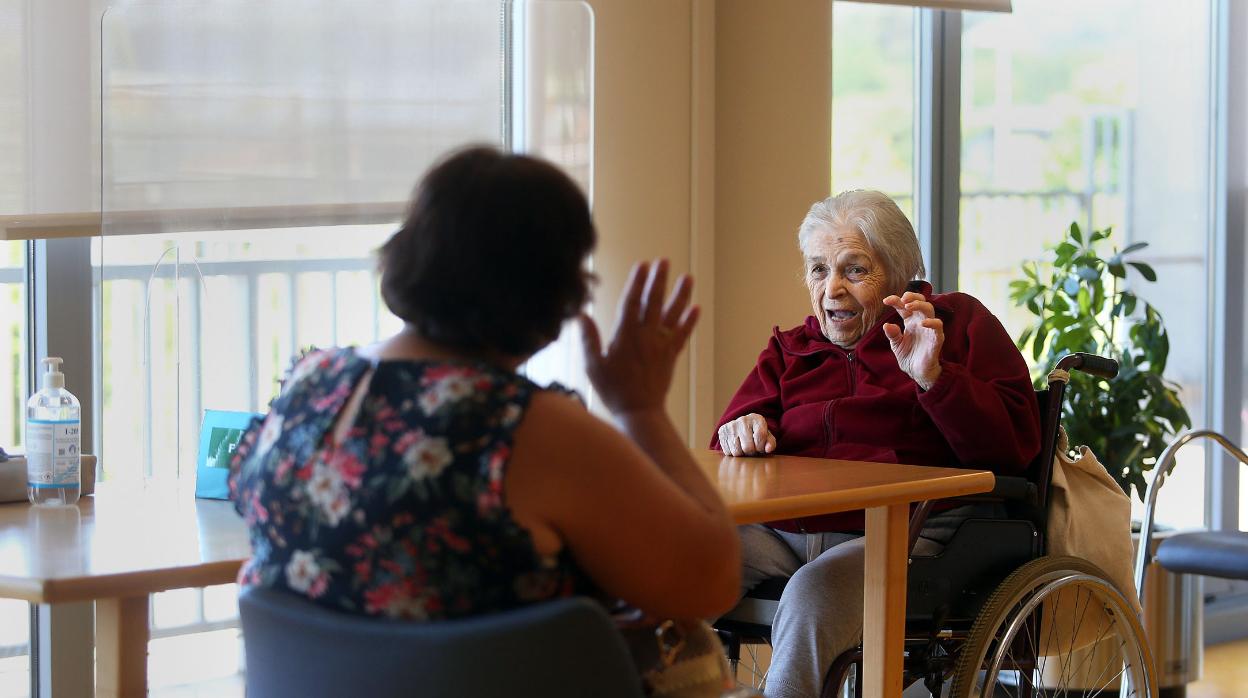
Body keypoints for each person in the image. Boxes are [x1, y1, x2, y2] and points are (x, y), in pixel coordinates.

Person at [229, 146, 740, 627]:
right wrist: (640, 409)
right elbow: (711, 586)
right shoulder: (521, 429)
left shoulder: (309, 383)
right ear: (552, 291)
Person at [711, 190, 1040, 698]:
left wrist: (935, 378)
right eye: (818, 270)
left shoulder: (956, 327)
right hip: (785, 532)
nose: (832, 289)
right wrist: (741, 425)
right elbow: (728, 438)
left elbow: (1014, 447)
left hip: (906, 535)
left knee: (811, 595)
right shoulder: (791, 349)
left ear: (900, 273)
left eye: (854, 270)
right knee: (675, 558)